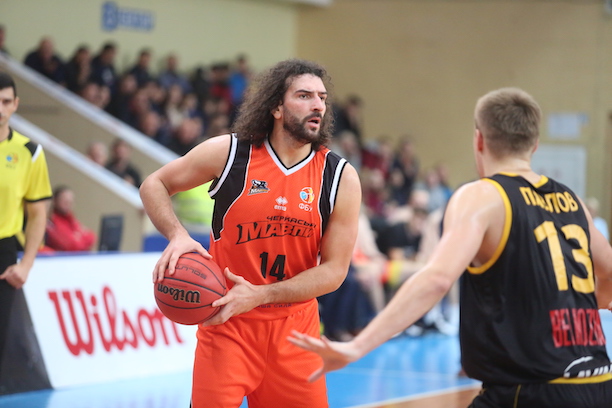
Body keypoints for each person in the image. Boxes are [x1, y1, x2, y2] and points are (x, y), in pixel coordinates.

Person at [290, 87, 612, 408]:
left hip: (530, 389)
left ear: (479, 140)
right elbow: (608, 270)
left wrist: (358, 346)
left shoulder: (482, 196)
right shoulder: (572, 200)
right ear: (535, 143)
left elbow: (437, 279)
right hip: (598, 381)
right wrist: (573, 314)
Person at [139, 59, 361, 408]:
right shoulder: (230, 154)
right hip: (228, 326)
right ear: (276, 107)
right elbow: (155, 184)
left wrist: (262, 294)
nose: (318, 105)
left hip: (296, 333)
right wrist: (177, 235)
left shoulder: (339, 177)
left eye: (322, 97)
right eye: (304, 96)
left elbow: (334, 271)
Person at [0, 72, 52, 376]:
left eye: (6, 101)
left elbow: (37, 214)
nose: (0, 108)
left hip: (4, 253)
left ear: (15, 104)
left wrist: (26, 265)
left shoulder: (30, 152)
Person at [45, 185, 96, 252]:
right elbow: (72, 245)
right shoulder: (51, 221)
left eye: (70, 201)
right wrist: (78, 237)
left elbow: (91, 237)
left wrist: (78, 239)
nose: (68, 204)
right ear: (55, 201)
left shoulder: (70, 218)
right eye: (65, 201)